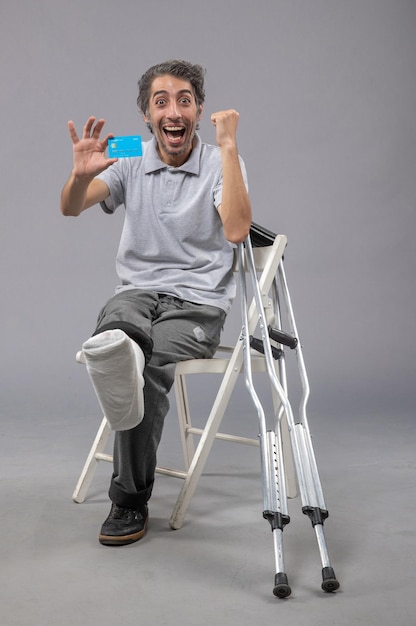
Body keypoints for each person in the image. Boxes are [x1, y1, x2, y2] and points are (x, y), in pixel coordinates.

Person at [60, 59, 252, 546]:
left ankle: (128, 501)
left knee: (141, 368)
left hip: (197, 305)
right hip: (137, 295)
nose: (174, 110)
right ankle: (117, 346)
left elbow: (235, 230)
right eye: (161, 101)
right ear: (147, 115)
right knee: (119, 334)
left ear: (199, 109)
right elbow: (70, 205)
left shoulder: (217, 161)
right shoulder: (130, 156)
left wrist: (228, 146)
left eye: (184, 100)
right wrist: (80, 175)